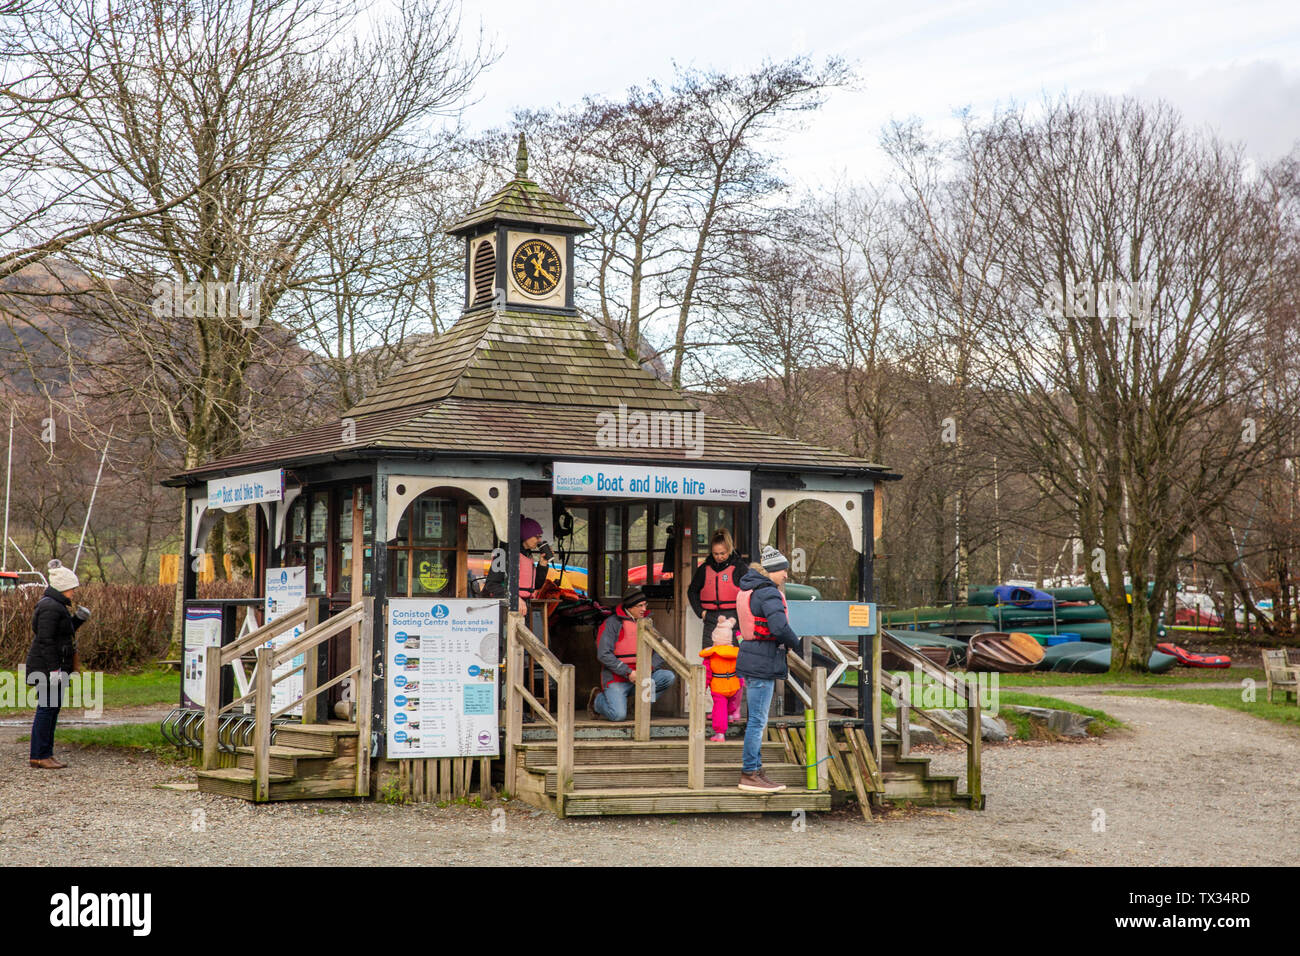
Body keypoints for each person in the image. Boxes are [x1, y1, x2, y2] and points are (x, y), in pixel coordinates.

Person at [735, 545, 803, 792]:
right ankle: (750, 773)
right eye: (783, 570)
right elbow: (779, 628)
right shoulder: (769, 594)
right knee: (758, 721)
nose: (786, 575)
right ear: (772, 571)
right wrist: (796, 644)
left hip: (751, 658)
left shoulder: (749, 589)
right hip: (763, 660)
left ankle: (756, 770)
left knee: (755, 718)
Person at [26, 561, 90, 769]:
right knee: (46, 709)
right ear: (62, 587)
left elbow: (62, 633)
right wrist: (54, 669)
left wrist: (78, 620)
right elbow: (46, 640)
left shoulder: (56, 606)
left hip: (54, 666)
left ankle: (46, 753)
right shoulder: (49, 607)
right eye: (72, 587)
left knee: (52, 710)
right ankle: (39, 754)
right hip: (47, 667)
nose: (73, 592)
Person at [588, 587, 676, 722]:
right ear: (629, 607)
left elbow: (660, 650)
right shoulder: (611, 623)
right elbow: (603, 654)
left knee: (667, 676)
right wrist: (628, 672)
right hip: (617, 678)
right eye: (639, 606)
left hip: (642, 675)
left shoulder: (647, 623)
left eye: (645, 605)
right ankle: (597, 700)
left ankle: (639, 707)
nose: (644, 609)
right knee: (618, 715)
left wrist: (648, 669)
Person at [687, 529, 747, 648]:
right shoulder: (704, 569)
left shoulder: (740, 568)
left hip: (733, 619)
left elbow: (750, 592)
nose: (719, 557)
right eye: (715, 554)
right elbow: (692, 591)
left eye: (722, 553)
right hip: (710, 619)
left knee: (732, 657)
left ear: (729, 550)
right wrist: (701, 612)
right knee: (710, 656)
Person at [481, 516, 551, 614]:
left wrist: (543, 565)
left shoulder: (527, 555)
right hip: (505, 608)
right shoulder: (504, 554)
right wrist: (514, 598)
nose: (539, 540)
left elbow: (537, 585)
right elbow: (491, 584)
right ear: (526, 535)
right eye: (537, 536)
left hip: (523, 606)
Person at [700, 615, 743, 741]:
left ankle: (720, 733)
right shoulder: (735, 653)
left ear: (715, 638)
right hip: (734, 684)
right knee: (731, 702)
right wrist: (740, 683)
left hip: (719, 686)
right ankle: (730, 716)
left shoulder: (711, 655)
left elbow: (706, 673)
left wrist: (703, 686)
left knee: (719, 709)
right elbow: (740, 670)